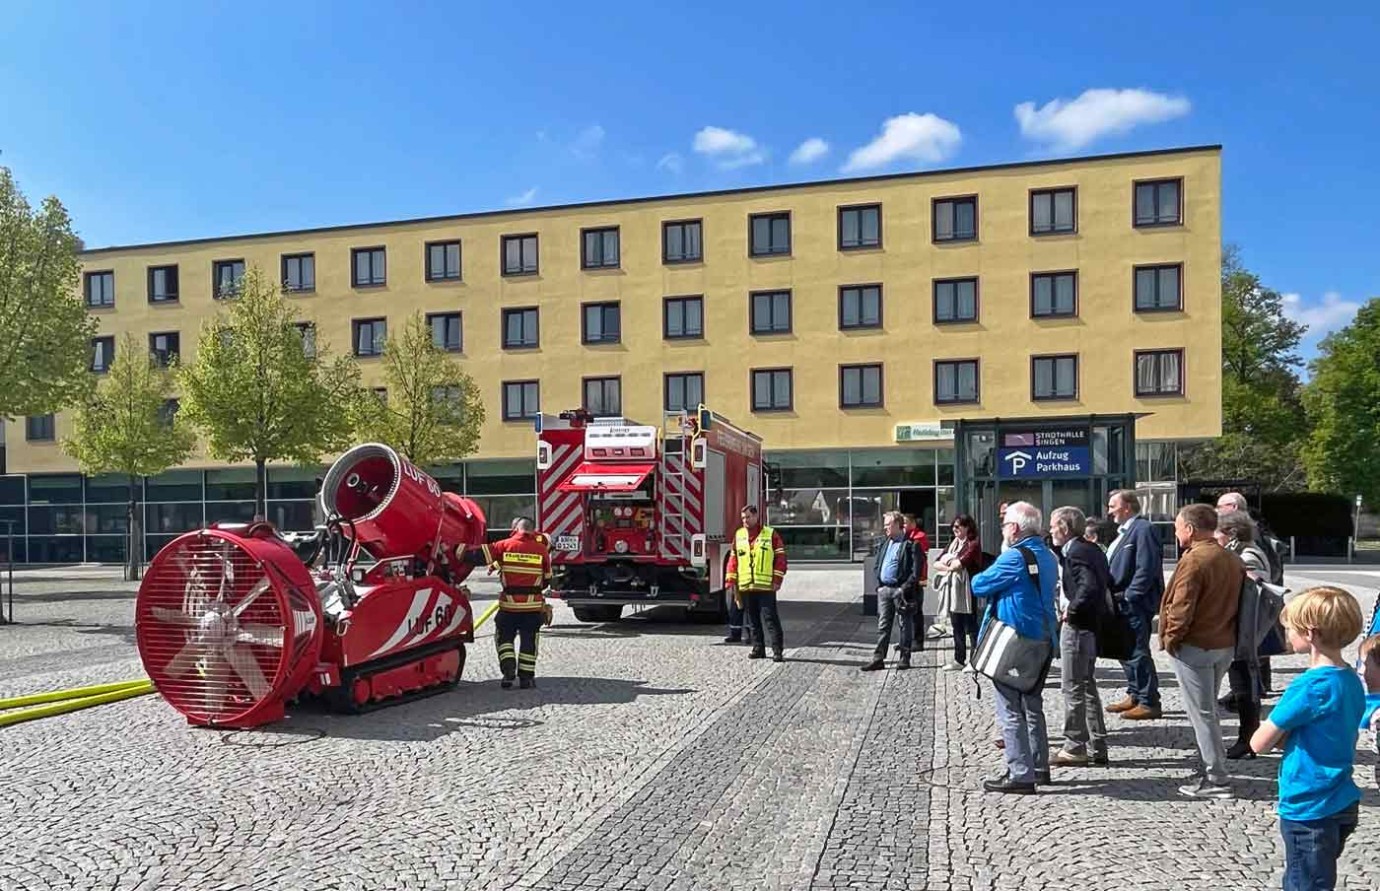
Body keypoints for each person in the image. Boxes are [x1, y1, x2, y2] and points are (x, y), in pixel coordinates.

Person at [1251, 587, 1365, 891]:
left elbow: (1259, 743)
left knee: (1305, 884)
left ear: (1311, 633)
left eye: (1290, 628)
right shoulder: (1351, 680)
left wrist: (1280, 732)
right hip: (1342, 797)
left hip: (1308, 804)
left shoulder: (1308, 688)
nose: (1286, 634)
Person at [971, 501, 1059, 794]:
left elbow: (979, 585)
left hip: (1016, 639)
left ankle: (1021, 774)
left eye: (1005, 524)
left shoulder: (1014, 557)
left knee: (1009, 707)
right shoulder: (1046, 554)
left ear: (1014, 528)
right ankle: (1039, 766)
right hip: (1044, 637)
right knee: (1033, 705)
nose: (1002, 529)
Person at [1161, 504, 1242, 798]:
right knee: (1208, 711)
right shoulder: (1229, 557)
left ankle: (1216, 778)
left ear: (1191, 530)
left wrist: (1171, 639)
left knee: (1203, 713)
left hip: (1196, 646)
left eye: (1177, 526)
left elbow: (1181, 608)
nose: (1175, 531)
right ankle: (1213, 767)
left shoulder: (1195, 560)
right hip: (1223, 644)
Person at [456, 516, 553, 689]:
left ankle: (508, 670)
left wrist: (456, 549)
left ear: (515, 529)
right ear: (532, 530)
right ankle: (526, 679)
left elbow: (478, 555)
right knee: (529, 641)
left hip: (509, 606)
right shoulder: (541, 550)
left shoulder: (504, 545)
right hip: (532, 607)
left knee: (504, 637)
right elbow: (547, 580)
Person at [1049, 506, 1111, 767]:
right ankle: (1098, 744)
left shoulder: (1076, 552)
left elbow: (1089, 586)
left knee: (1073, 685)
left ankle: (1075, 746)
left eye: (1053, 525)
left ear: (1064, 527)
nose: (1050, 530)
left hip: (1077, 625)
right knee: (1086, 685)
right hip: (1091, 625)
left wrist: (1070, 610)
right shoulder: (1091, 549)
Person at [1212, 510, 1273, 759]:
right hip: (1241, 628)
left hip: (1245, 631)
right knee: (1242, 685)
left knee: (1244, 686)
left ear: (1231, 534)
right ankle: (1248, 737)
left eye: (1218, 532)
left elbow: (1249, 591)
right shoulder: (1244, 552)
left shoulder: (1248, 556)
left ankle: (1248, 739)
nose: (1215, 537)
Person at [1105, 489, 1165, 720]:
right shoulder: (1123, 532)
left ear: (1127, 506)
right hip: (1120, 602)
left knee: (1138, 651)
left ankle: (1149, 701)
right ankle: (1135, 693)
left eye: (1112, 506)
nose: (1109, 511)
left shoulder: (1143, 529)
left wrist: (1131, 595)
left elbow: (1146, 567)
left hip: (1134, 603)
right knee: (1125, 649)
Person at [725, 504, 787, 663]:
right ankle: (758, 648)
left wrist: (777, 580)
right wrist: (731, 580)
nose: (745, 520)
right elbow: (733, 559)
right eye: (743, 518)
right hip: (746, 586)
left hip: (765, 586)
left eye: (748, 517)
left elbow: (781, 558)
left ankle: (777, 650)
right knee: (752, 620)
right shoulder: (739, 535)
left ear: (756, 516)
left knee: (770, 619)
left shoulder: (770, 534)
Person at [861, 511, 919, 671]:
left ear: (897, 525)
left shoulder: (910, 545)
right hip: (884, 590)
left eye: (888, 524)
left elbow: (916, 571)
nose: (885, 527)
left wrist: (903, 588)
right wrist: (879, 585)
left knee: (904, 625)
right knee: (883, 625)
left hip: (900, 591)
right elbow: (878, 564)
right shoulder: (885, 543)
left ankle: (904, 658)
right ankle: (878, 658)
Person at [933, 514, 983, 671]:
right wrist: (950, 564)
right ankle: (959, 659)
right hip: (954, 592)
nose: (954, 529)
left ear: (967, 527)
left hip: (968, 591)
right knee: (957, 626)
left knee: (971, 627)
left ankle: (975, 661)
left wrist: (949, 563)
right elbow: (936, 562)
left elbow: (961, 563)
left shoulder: (973, 544)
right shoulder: (953, 544)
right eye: (953, 527)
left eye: (958, 526)